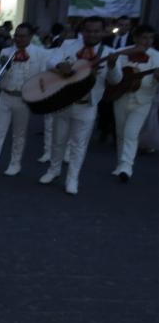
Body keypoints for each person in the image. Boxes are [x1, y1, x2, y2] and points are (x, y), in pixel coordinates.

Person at [39, 16, 112, 195]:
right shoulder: (68, 45)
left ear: (103, 32)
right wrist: (60, 64)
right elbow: (50, 61)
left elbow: (115, 80)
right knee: (58, 140)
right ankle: (53, 170)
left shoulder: (109, 52)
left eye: (96, 31)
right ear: (82, 30)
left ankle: (72, 178)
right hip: (64, 101)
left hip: (87, 105)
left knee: (79, 145)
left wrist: (114, 66)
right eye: (88, 30)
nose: (92, 34)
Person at [0, 23, 48, 176]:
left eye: (23, 36)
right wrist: (2, 66)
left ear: (30, 37)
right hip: (5, 96)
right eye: (16, 35)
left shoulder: (40, 54)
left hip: (24, 99)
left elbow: (43, 77)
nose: (18, 39)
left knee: (19, 133)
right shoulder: (6, 51)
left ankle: (15, 164)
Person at [106, 24, 158, 182]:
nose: (147, 41)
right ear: (135, 38)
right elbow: (113, 79)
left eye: (151, 38)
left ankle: (127, 167)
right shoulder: (123, 53)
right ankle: (120, 165)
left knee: (131, 133)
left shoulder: (157, 56)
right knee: (121, 132)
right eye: (144, 37)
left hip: (143, 100)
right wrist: (113, 65)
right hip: (121, 96)